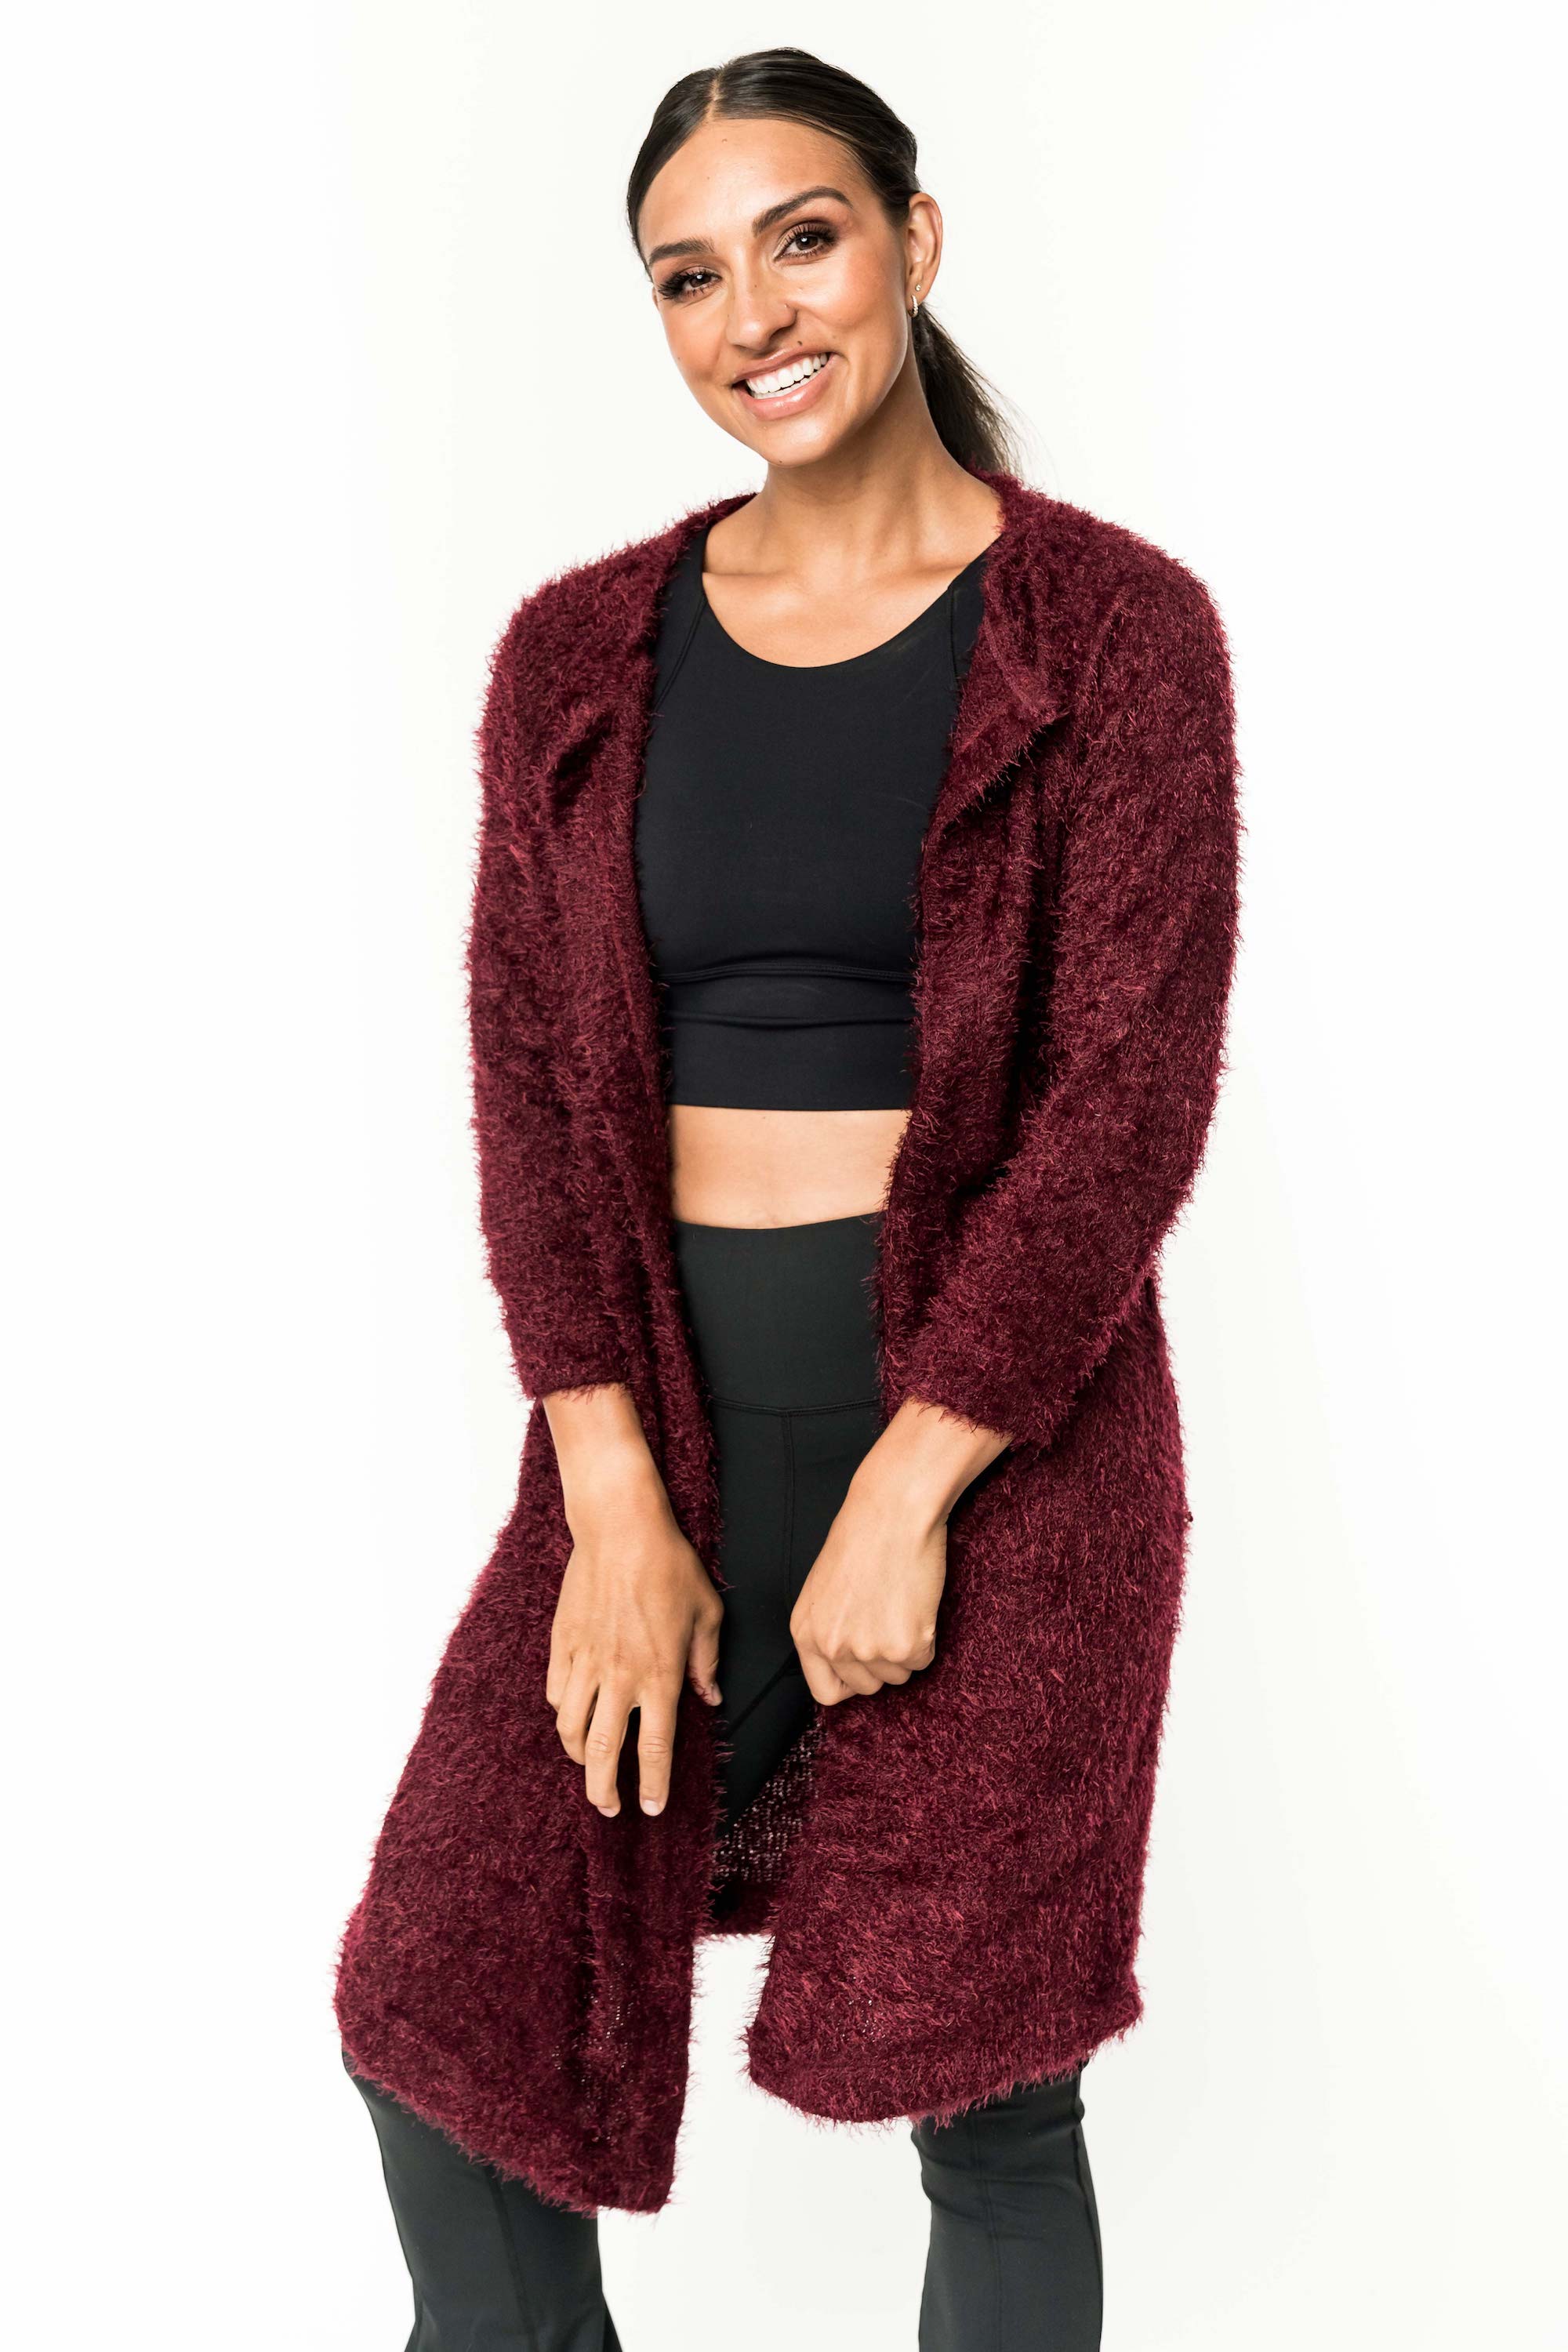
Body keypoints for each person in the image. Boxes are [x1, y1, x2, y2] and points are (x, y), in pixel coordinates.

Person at [336, 45, 1240, 2351]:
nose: (753, 313)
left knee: (990, 2091)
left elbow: (1123, 1110)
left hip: (1004, 1453)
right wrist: (609, 1500)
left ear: (914, 244)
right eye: (687, 276)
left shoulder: (1114, 633)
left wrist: (916, 1489)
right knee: (446, 2010)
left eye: (804, 238)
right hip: (661, 1432)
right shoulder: (575, 652)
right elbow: (536, 1093)